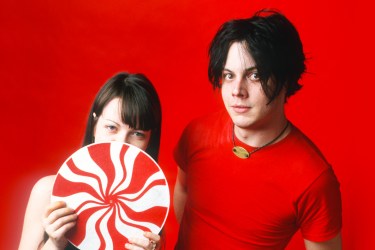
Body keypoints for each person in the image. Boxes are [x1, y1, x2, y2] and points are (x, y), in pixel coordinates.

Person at [173, 9, 342, 249]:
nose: (237, 91)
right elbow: (182, 192)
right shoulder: (197, 132)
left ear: (285, 80)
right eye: (229, 75)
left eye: (254, 75)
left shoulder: (314, 178)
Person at [19, 72, 164, 250]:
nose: (121, 142)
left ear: (149, 140)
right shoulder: (47, 190)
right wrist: (56, 243)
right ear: (94, 126)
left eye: (137, 134)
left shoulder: (152, 200)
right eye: (111, 127)